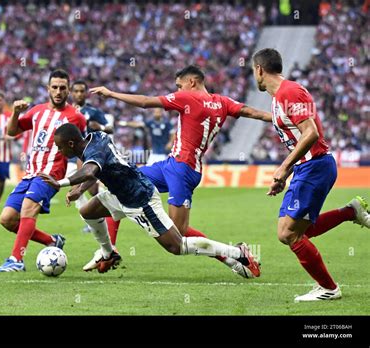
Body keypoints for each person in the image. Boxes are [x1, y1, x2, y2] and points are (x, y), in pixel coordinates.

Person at [87, 65, 272, 276]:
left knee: (177, 236)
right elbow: (250, 111)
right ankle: (109, 250)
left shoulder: (188, 98)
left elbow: (147, 102)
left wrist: (111, 94)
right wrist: (277, 118)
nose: (177, 89)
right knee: (121, 185)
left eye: (179, 85)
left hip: (182, 170)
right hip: (170, 165)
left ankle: (235, 254)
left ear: (191, 82)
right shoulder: (223, 102)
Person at [40, 123, 261, 278]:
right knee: (88, 211)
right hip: (119, 194)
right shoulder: (95, 138)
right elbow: (98, 170)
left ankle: (237, 253)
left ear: (70, 143)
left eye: (60, 147)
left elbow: (90, 170)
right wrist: (79, 190)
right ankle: (109, 252)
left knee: (177, 246)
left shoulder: (92, 150)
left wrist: (60, 183)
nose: (59, 151)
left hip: (139, 198)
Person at [251, 48, 370, 301]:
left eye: (254, 71)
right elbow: (301, 139)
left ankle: (329, 288)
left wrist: (283, 167)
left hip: (315, 167)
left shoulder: (289, 92)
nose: (254, 76)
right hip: (309, 167)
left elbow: (311, 133)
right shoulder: (279, 98)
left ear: (259, 69)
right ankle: (351, 212)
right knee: (300, 231)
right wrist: (285, 175)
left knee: (287, 233)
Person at [0, 69, 87, 272]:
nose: (58, 91)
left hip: (50, 174)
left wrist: (78, 185)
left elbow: (82, 153)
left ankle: (16, 259)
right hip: (30, 173)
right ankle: (52, 241)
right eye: (54, 87)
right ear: (48, 89)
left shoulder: (76, 117)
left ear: (68, 90)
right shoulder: (37, 111)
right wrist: (16, 112)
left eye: (63, 88)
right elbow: (12, 131)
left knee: (28, 207)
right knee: (7, 219)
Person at [69, 80, 114, 233]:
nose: (79, 94)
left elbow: (110, 128)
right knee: (76, 189)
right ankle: (91, 222)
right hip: (71, 158)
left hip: (91, 155)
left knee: (91, 189)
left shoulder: (93, 112)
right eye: (76, 91)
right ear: (71, 92)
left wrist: (100, 127)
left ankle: (99, 214)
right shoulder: (66, 111)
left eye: (82, 91)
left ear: (86, 93)